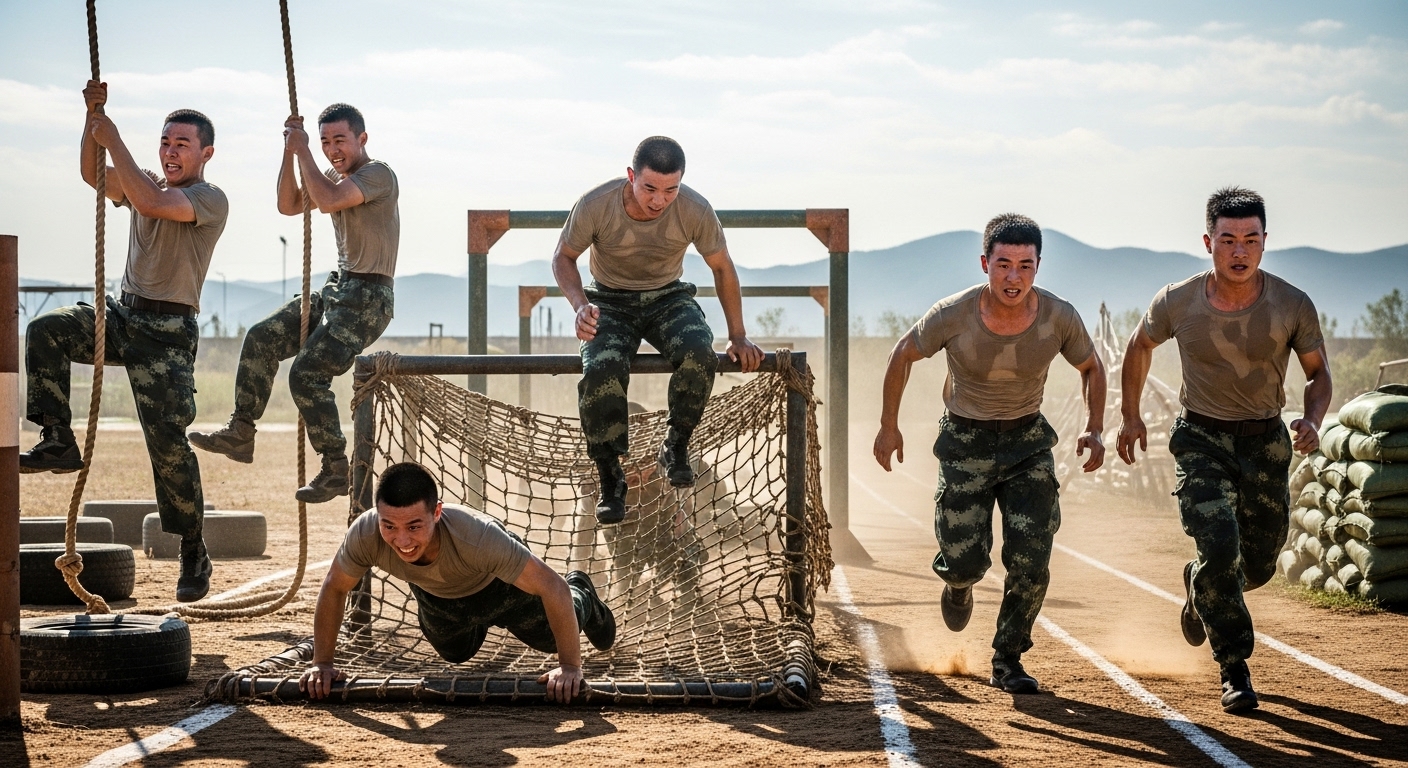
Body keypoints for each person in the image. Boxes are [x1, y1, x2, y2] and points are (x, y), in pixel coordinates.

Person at [1117, 187, 1331, 714]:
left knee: (1257, 565)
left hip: (1265, 443)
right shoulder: (1177, 300)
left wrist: (1312, 418)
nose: (1240, 251)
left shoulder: (1291, 304)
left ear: (1265, 242)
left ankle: (1200, 588)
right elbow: (1139, 346)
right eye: (1228, 239)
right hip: (1201, 440)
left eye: (1250, 240)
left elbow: (1318, 373)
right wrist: (1130, 415)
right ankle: (1234, 667)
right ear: (1207, 241)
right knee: (1219, 549)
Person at [872, 214, 1106, 694]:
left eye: (1025, 266)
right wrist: (888, 425)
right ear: (985, 264)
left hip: (1027, 443)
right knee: (965, 561)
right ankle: (958, 584)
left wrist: (1094, 427)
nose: (1013, 277)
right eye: (1003, 265)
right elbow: (903, 353)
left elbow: (1091, 365)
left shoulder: (1059, 316)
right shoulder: (953, 313)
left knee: (1032, 557)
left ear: (1038, 266)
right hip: (966, 441)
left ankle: (1008, 658)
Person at [21, 81, 227, 602]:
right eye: (165, 142)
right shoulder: (144, 181)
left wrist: (112, 137)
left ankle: (193, 548)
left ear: (205, 153)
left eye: (182, 144)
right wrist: (91, 116)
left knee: (168, 444)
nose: (170, 151)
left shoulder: (209, 199)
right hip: (122, 315)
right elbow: (92, 174)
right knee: (45, 330)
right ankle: (57, 437)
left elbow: (154, 203)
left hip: (167, 333)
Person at [189, 103, 397, 504]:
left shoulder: (377, 175)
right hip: (338, 289)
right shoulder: (332, 176)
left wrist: (304, 151)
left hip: (368, 298)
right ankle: (241, 431)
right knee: (261, 337)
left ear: (362, 139)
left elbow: (329, 200)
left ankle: (335, 467)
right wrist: (290, 152)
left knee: (306, 375)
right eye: (325, 142)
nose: (332, 149)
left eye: (340, 140)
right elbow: (289, 204)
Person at [552, 136, 764, 525]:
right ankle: (610, 477)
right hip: (610, 300)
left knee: (700, 351)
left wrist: (738, 335)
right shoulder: (596, 204)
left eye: (670, 190)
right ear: (631, 176)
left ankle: (676, 444)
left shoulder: (695, 209)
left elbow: (722, 267)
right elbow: (563, 257)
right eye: (650, 188)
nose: (659, 200)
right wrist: (580, 305)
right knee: (600, 367)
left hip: (667, 298)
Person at [299, 462, 617, 704]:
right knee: (455, 652)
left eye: (414, 526)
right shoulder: (366, 533)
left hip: (500, 587)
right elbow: (335, 586)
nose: (402, 540)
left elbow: (551, 586)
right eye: (389, 526)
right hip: (438, 595)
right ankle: (475, 623)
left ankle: (583, 592)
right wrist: (322, 664)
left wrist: (570, 667)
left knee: (552, 638)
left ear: (437, 512)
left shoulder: (479, 537)